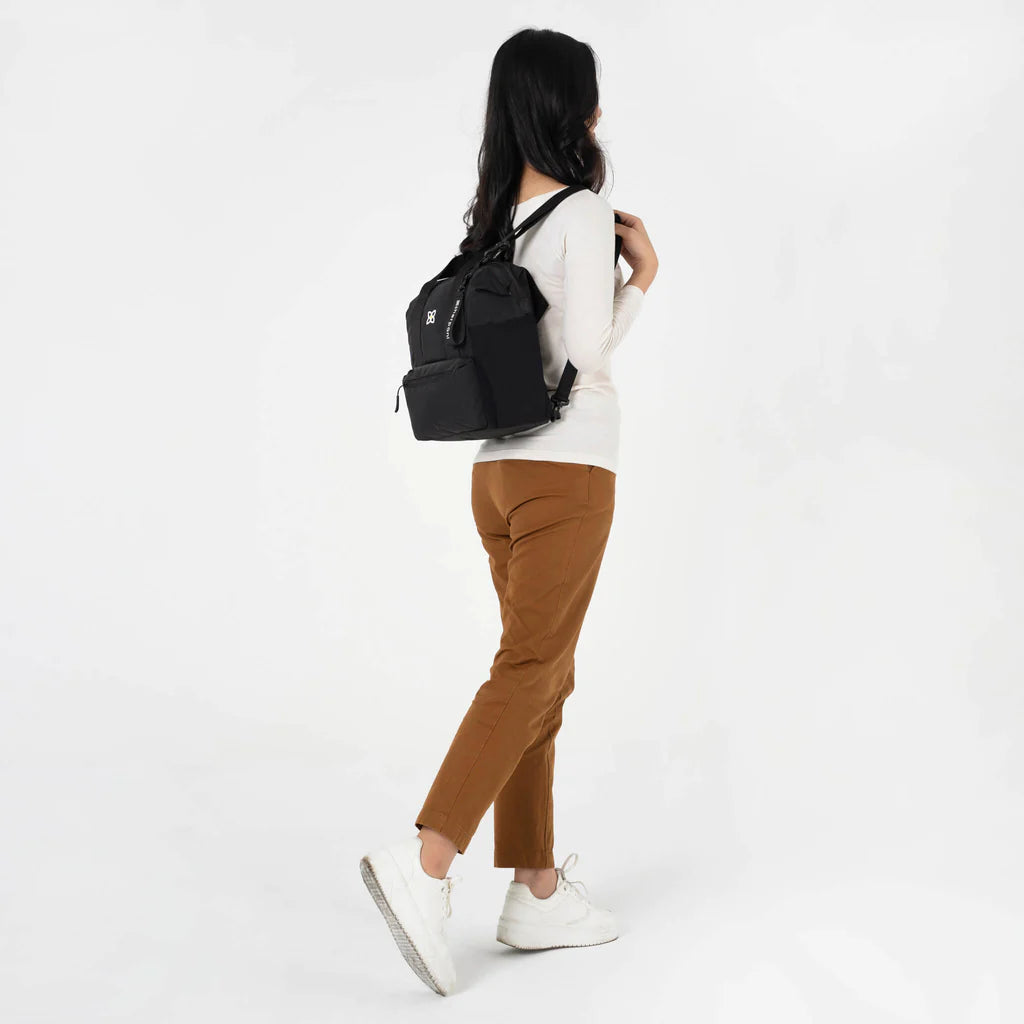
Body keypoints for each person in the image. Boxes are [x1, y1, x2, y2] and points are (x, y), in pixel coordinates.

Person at [360, 26, 659, 996]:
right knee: (530, 670)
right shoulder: (582, 211)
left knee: (542, 677)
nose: (599, 111)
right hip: (567, 473)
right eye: (590, 94)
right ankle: (426, 860)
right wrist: (641, 280)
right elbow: (586, 356)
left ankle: (535, 890)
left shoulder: (497, 223)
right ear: (572, 107)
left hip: (495, 476)